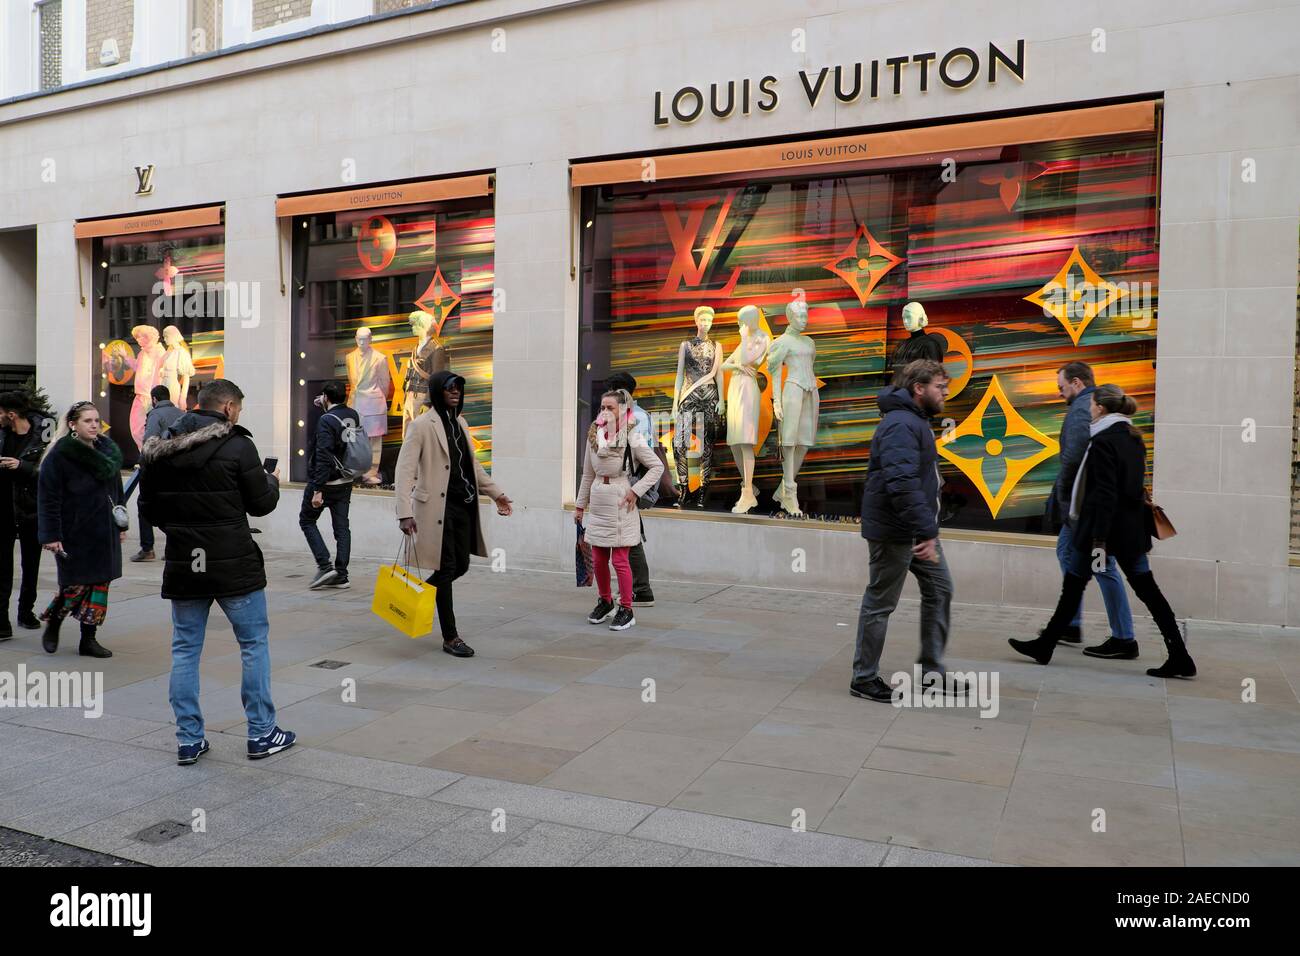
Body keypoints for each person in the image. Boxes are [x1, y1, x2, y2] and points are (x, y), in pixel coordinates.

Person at [139, 379, 295, 766]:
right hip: (233, 563)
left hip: (184, 562)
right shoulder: (238, 445)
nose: (238, 415)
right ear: (227, 409)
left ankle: (189, 739)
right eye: (238, 409)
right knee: (253, 645)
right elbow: (261, 505)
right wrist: (271, 481)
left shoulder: (160, 450)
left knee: (185, 650)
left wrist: (182, 526)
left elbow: (150, 509)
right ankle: (261, 733)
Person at [1009, 384, 1197, 679]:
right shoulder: (1132, 437)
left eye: (1092, 405)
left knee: (1072, 588)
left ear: (1100, 407)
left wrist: (1097, 540)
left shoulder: (1102, 442)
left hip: (1102, 533)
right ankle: (1179, 654)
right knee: (1148, 592)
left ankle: (1045, 645)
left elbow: (1105, 495)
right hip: (1130, 532)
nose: (1089, 409)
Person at [850, 360, 957, 702]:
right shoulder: (901, 424)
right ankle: (864, 678)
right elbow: (901, 482)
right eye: (940, 387)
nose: (945, 393)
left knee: (940, 589)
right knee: (880, 603)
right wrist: (926, 531)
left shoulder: (915, 421)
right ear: (919, 388)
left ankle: (932, 672)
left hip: (914, 529)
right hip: (897, 531)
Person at [395, 370, 513, 657]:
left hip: (463, 507)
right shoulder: (422, 425)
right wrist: (404, 512)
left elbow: (473, 466)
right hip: (435, 509)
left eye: (459, 388)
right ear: (438, 391)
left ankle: (417, 596)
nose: (455, 392)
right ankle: (451, 637)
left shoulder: (461, 422)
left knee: (460, 565)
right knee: (447, 568)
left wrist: (496, 492)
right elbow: (404, 470)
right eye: (450, 388)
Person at [1046, 362, 1136, 657]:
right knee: (1067, 553)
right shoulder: (1098, 410)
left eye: (1061, 387)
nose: (1060, 394)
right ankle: (1071, 624)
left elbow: (1072, 460)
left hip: (1085, 508)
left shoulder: (1084, 408)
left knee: (1103, 566)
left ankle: (1124, 637)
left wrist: (1065, 503)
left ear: (1076, 383)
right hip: (1086, 506)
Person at [35, 402, 123, 658]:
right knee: (74, 586)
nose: (95, 425)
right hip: (74, 532)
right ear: (73, 425)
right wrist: (51, 535)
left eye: (97, 420)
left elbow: (116, 491)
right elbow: (48, 499)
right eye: (88, 421)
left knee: (99, 585)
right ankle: (54, 622)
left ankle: (89, 639)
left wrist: (121, 522)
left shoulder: (109, 451)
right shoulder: (59, 456)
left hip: (104, 530)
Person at [575, 388, 664, 632]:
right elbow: (587, 474)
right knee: (598, 557)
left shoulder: (632, 436)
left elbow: (656, 467)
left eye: (610, 407)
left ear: (623, 410)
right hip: (598, 499)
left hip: (622, 499)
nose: (604, 411)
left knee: (620, 559)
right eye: (602, 407)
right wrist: (580, 506)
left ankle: (627, 608)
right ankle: (605, 601)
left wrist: (636, 492)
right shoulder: (594, 435)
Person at [0, 392, 52, 639]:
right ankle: (1, 621)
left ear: (11, 414)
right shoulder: (2, 434)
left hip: (31, 508)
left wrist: (22, 467)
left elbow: (51, 473)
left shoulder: (43, 434)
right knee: (2, 567)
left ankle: (25, 612)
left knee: (31, 564)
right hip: (3, 509)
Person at [302, 381, 359, 590]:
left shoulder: (326, 420)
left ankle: (325, 565)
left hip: (326, 481)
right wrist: (324, 405)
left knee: (306, 520)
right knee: (342, 528)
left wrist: (317, 489)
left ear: (326, 397)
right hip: (346, 480)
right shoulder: (352, 414)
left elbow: (324, 453)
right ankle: (342, 574)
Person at [605, 371, 656, 607]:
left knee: (630, 539)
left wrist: (634, 490)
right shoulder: (627, 416)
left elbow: (640, 456)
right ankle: (638, 589)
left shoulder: (635, 418)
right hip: (623, 485)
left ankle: (641, 590)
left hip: (628, 484)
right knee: (629, 538)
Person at [130, 384, 183, 563]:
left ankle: (147, 548)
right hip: (179, 468)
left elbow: (149, 440)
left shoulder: (155, 414)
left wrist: (141, 461)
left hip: (158, 467)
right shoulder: (182, 413)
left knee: (143, 504)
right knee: (173, 509)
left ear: (154, 399)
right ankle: (173, 548)